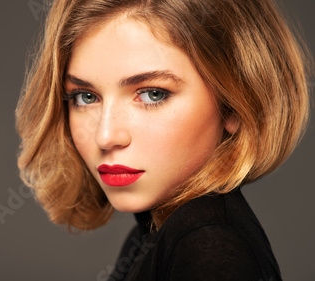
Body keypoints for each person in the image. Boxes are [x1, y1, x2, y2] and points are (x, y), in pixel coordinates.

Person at [15, 0, 311, 280]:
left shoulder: (207, 246)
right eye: (86, 97)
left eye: (153, 94)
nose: (105, 136)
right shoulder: (156, 233)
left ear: (235, 103)